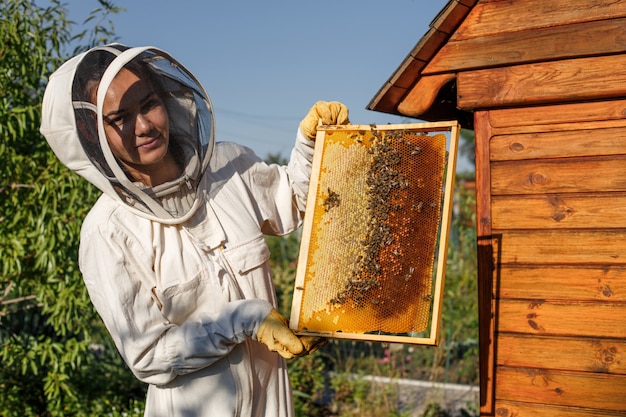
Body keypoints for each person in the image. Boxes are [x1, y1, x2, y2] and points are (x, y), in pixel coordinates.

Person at [39, 44, 350, 417]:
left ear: (167, 99)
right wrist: (244, 320)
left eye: (148, 103)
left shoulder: (228, 167)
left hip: (272, 405)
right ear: (93, 135)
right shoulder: (108, 232)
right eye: (120, 117)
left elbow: (295, 202)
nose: (143, 126)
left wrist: (311, 146)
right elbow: (148, 354)